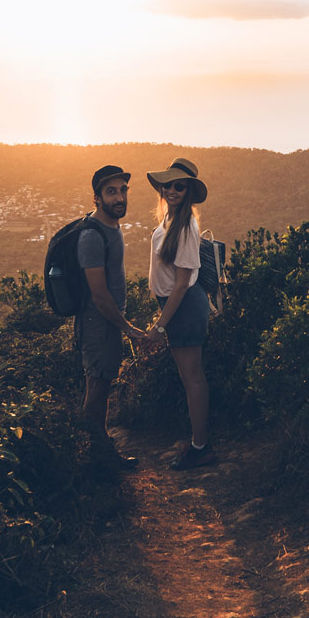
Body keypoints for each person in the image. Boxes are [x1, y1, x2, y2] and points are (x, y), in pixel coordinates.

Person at [78, 163, 149, 469]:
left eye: (122, 191)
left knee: (102, 386)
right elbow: (99, 295)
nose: (119, 198)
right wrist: (129, 328)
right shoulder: (92, 236)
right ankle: (96, 460)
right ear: (97, 198)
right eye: (111, 192)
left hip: (107, 323)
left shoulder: (113, 227)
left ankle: (97, 452)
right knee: (97, 389)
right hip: (99, 323)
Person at [145, 157, 215, 470]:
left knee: (193, 379)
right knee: (190, 378)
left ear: (188, 191)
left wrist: (160, 327)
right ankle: (198, 442)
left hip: (184, 307)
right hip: (176, 306)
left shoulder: (186, 226)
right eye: (168, 184)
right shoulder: (169, 221)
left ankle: (200, 447)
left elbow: (183, 284)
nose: (172, 190)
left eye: (179, 186)